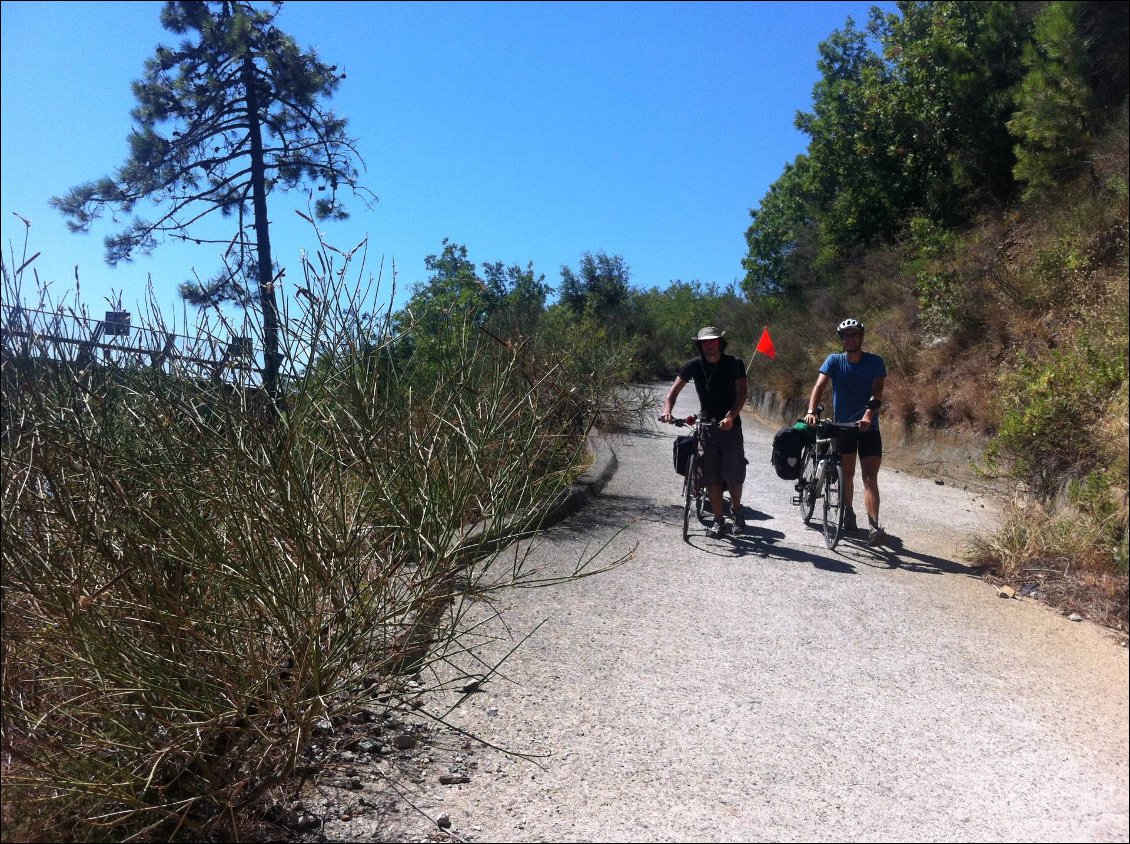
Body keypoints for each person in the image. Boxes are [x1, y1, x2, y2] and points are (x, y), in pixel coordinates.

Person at [803, 318, 888, 546]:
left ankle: (873, 526)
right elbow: (819, 386)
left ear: (861, 338)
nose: (850, 338)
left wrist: (868, 416)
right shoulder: (834, 360)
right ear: (842, 340)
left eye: (854, 335)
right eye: (846, 335)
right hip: (843, 427)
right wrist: (811, 410)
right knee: (847, 473)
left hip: (869, 427)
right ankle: (848, 512)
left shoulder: (875, 362)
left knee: (870, 477)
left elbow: (876, 393)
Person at [660, 326, 748, 538]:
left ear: (719, 342)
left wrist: (730, 417)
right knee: (711, 477)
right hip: (706, 427)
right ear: (699, 345)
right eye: (704, 342)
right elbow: (673, 392)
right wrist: (667, 411)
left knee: (733, 473)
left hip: (730, 427)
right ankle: (718, 521)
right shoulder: (693, 365)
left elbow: (742, 393)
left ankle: (736, 512)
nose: (708, 345)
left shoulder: (733, 363)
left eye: (712, 341)